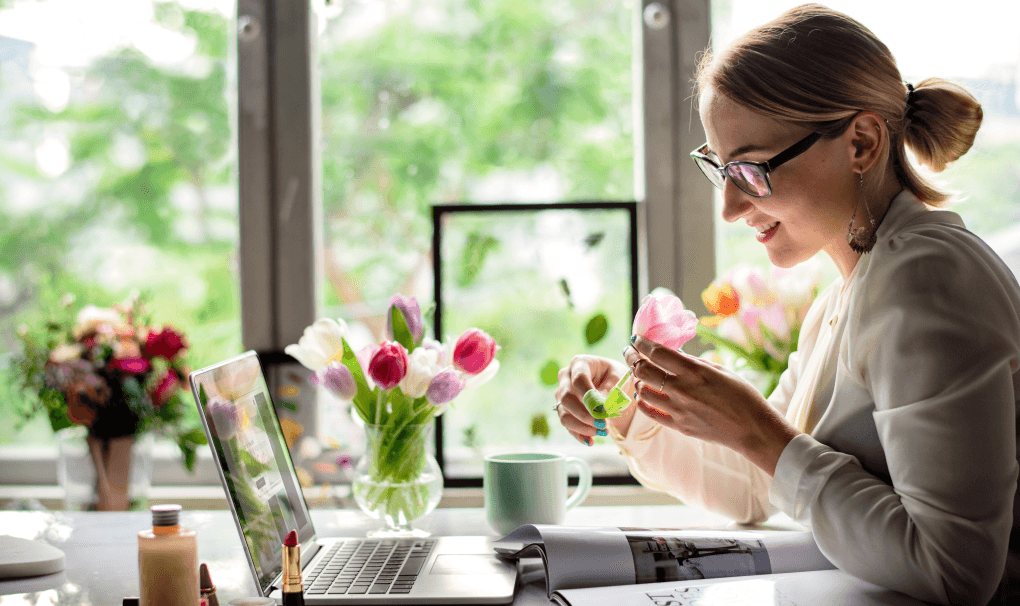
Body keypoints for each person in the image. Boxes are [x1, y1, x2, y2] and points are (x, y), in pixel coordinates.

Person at [553, 4, 1020, 606]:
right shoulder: (847, 295)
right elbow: (762, 484)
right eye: (720, 169)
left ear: (862, 141)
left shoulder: (925, 281)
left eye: (750, 168)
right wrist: (633, 408)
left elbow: (956, 574)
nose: (729, 207)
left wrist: (760, 433)